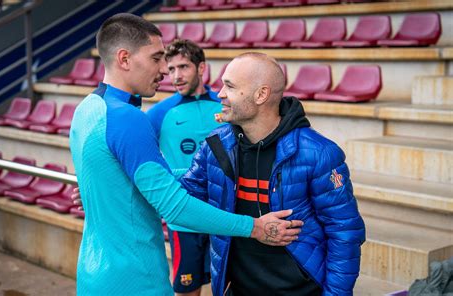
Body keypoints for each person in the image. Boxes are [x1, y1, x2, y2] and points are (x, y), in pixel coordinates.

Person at [69, 14, 301, 296]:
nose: (165, 71)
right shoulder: (128, 118)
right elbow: (174, 206)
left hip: (94, 275)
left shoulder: (87, 109)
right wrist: (254, 227)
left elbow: (127, 177)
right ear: (124, 59)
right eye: (156, 58)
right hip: (134, 280)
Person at [179, 52, 366, 296]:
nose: (220, 94)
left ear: (261, 95)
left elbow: (345, 233)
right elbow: (183, 198)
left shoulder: (318, 153)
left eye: (230, 86)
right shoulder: (214, 146)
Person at [146, 39, 220, 296]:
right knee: (188, 289)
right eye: (172, 69)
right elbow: (135, 154)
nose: (176, 76)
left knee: (232, 285)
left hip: (224, 213)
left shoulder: (225, 107)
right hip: (184, 216)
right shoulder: (160, 113)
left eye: (184, 67)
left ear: (201, 68)